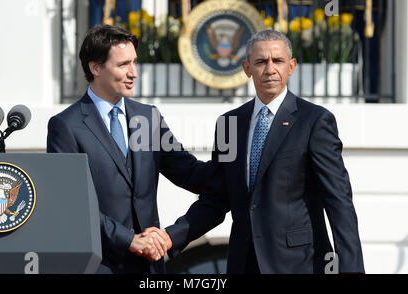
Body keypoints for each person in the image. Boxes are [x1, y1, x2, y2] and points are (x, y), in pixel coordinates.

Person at [149, 30, 365, 274]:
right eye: (261, 62)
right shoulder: (229, 123)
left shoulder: (315, 121)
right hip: (243, 264)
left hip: (300, 265)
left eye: (278, 61)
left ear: (291, 66)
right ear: (247, 68)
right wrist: (170, 237)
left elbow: (339, 203)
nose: (270, 69)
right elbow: (216, 199)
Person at [47, 24, 207, 274]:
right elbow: (70, 203)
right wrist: (129, 240)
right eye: (123, 64)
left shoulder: (148, 117)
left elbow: (190, 173)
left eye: (134, 62)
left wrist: (236, 168)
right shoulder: (66, 126)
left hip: (150, 269)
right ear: (95, 67)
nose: (133, 72)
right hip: (99, 266)